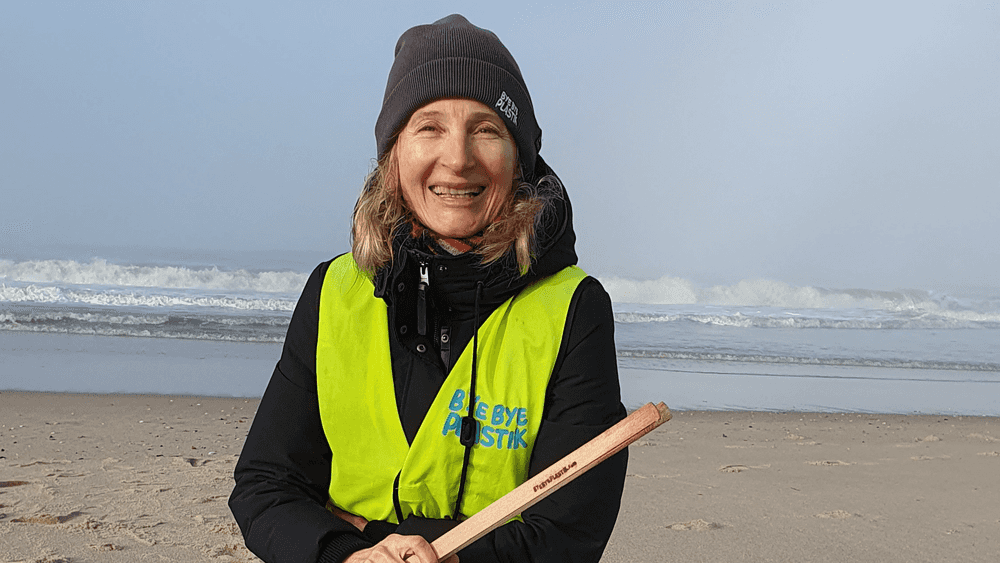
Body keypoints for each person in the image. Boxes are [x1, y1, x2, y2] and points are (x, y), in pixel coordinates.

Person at [229, 14, 627, 563]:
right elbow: (264, 485)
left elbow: (569, 528)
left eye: (486, 129)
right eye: (429, 127)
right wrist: (346, 554)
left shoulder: (574, 309)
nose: (458, 158)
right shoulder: (333, 291)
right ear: (394, 153)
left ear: (520, 158)